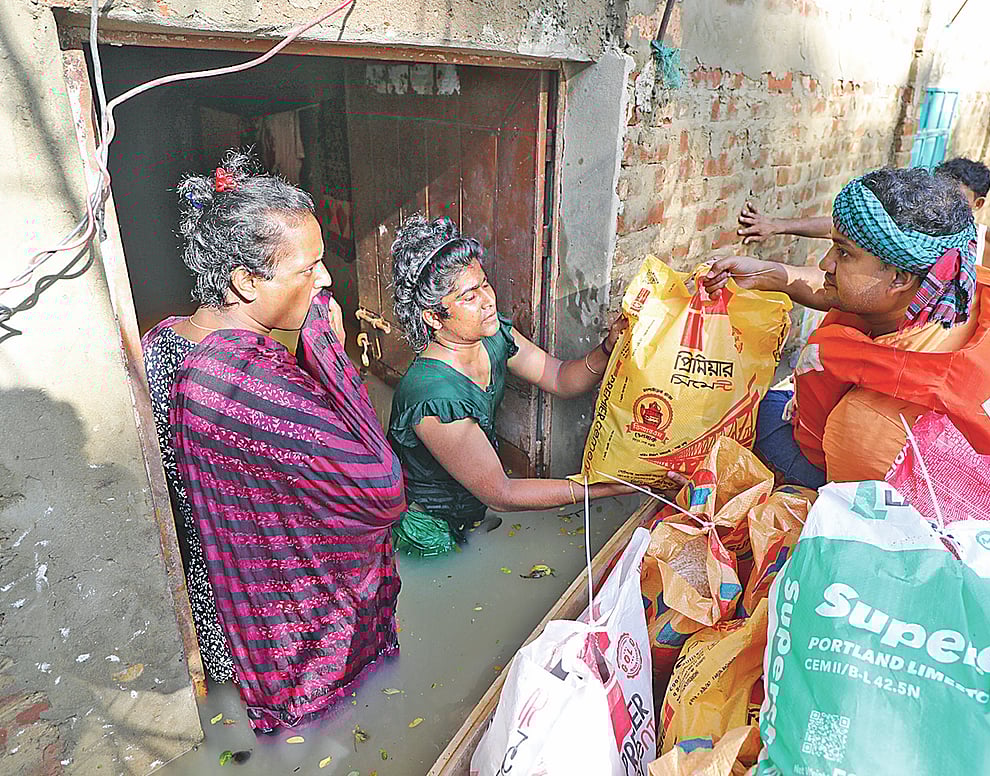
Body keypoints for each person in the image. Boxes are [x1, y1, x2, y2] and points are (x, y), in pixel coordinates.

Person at [143, 151, 408, 732]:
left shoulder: (162, 342)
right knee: (332, 739)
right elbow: (380, 490)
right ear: (244, 282)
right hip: (282, 631)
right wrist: (333, 357)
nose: (326, 280)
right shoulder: (243, 378)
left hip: (215, 602)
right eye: (308, 268)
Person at [704, 167, 990, 487]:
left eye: (843, 252)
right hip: (981, 457)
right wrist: (770, 274)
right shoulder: (957, 287)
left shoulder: (868, 426)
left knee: (754, 409)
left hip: (862, 472)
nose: (825, 262)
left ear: (898, 278)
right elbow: (851, 292)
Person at [386, 215, 637, 556]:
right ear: (433, 316)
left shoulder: (492, 337)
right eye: (468, 297)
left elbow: (560, 377)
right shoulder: (433, 397)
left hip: (473, 504)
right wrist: (603, 487)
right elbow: (502, 494)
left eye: (484, 285)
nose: (488, 300)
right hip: (430, 527)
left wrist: (607, 349)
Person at [735, 157, 990, 298]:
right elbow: (846, 239)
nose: (937, 203)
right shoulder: (877, 273)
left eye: (952, 199)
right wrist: (774, 234)